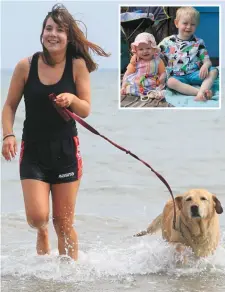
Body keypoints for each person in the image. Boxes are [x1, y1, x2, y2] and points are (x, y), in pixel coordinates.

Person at [1, 4, 109, 261]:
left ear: (68, 37)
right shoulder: (25, 66)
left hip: (66, 150)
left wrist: (71, 98)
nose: (53, 34)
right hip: (34, 151)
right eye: (49, 28)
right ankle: (41, 232)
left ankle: (69, 278)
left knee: (63, 223)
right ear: (42, 33)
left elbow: (85, 110)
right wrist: (8, 135)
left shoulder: (77, 65)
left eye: (59, 30)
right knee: (38, 217)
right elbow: (9, 106)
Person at [158, 6, 218, 101]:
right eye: (185, 23)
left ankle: (202, 91)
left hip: (195, 74)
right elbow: (155, 54)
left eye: (193, 24)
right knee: (170, 82)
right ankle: (200, 93)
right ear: (176, 23)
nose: (189, 27)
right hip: (177, 76)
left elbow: (207, 61)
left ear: (196, 25)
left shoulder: (199, 42)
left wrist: (205, 66)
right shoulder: (167, 42)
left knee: (214, 71)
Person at [121, 32, 166, 101]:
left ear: (154, 49)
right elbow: (128, 73)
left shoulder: (158, 60)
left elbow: (162, 72)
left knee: (160, 88)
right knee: (131, 86)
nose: (145, 51)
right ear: (136, 51)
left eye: (148, 48)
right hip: (138, 81)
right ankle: (144, 93)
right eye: (141, 49)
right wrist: (123, 85)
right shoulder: (136, 60)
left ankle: (154, 93)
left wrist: (161, 80)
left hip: (152, 82)